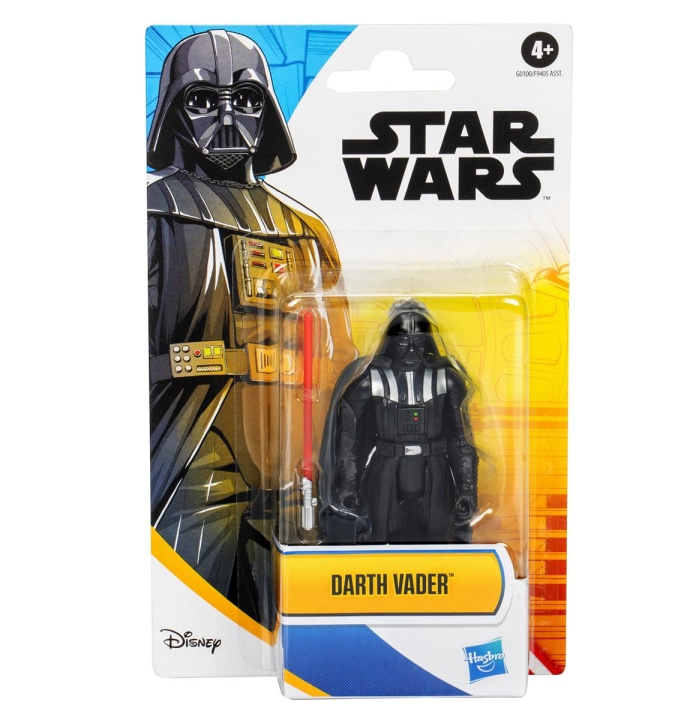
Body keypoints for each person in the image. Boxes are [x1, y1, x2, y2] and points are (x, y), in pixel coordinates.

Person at [147, 30, 354, 628]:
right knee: (197, 589)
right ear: (174, 111)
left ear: (267, 112)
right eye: (202, 100)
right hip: (200, 428)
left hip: (295, 436)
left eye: (244, 100)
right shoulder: (155, 213)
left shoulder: (305, 229)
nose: (226, 119)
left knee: (285, 596)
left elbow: (340, 350)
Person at [320, 300, 479, 544]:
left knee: (439, 541)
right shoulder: (369, 381)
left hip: (435, 472)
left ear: (428, 342)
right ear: (391, 341)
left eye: (418, 342)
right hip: (385, 472)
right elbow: (350, 440)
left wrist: (467, 489)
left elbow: (462, 441)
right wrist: (348, 484)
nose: (411, 351)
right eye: (404, 342)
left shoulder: (447, 380)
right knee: (377, 540)